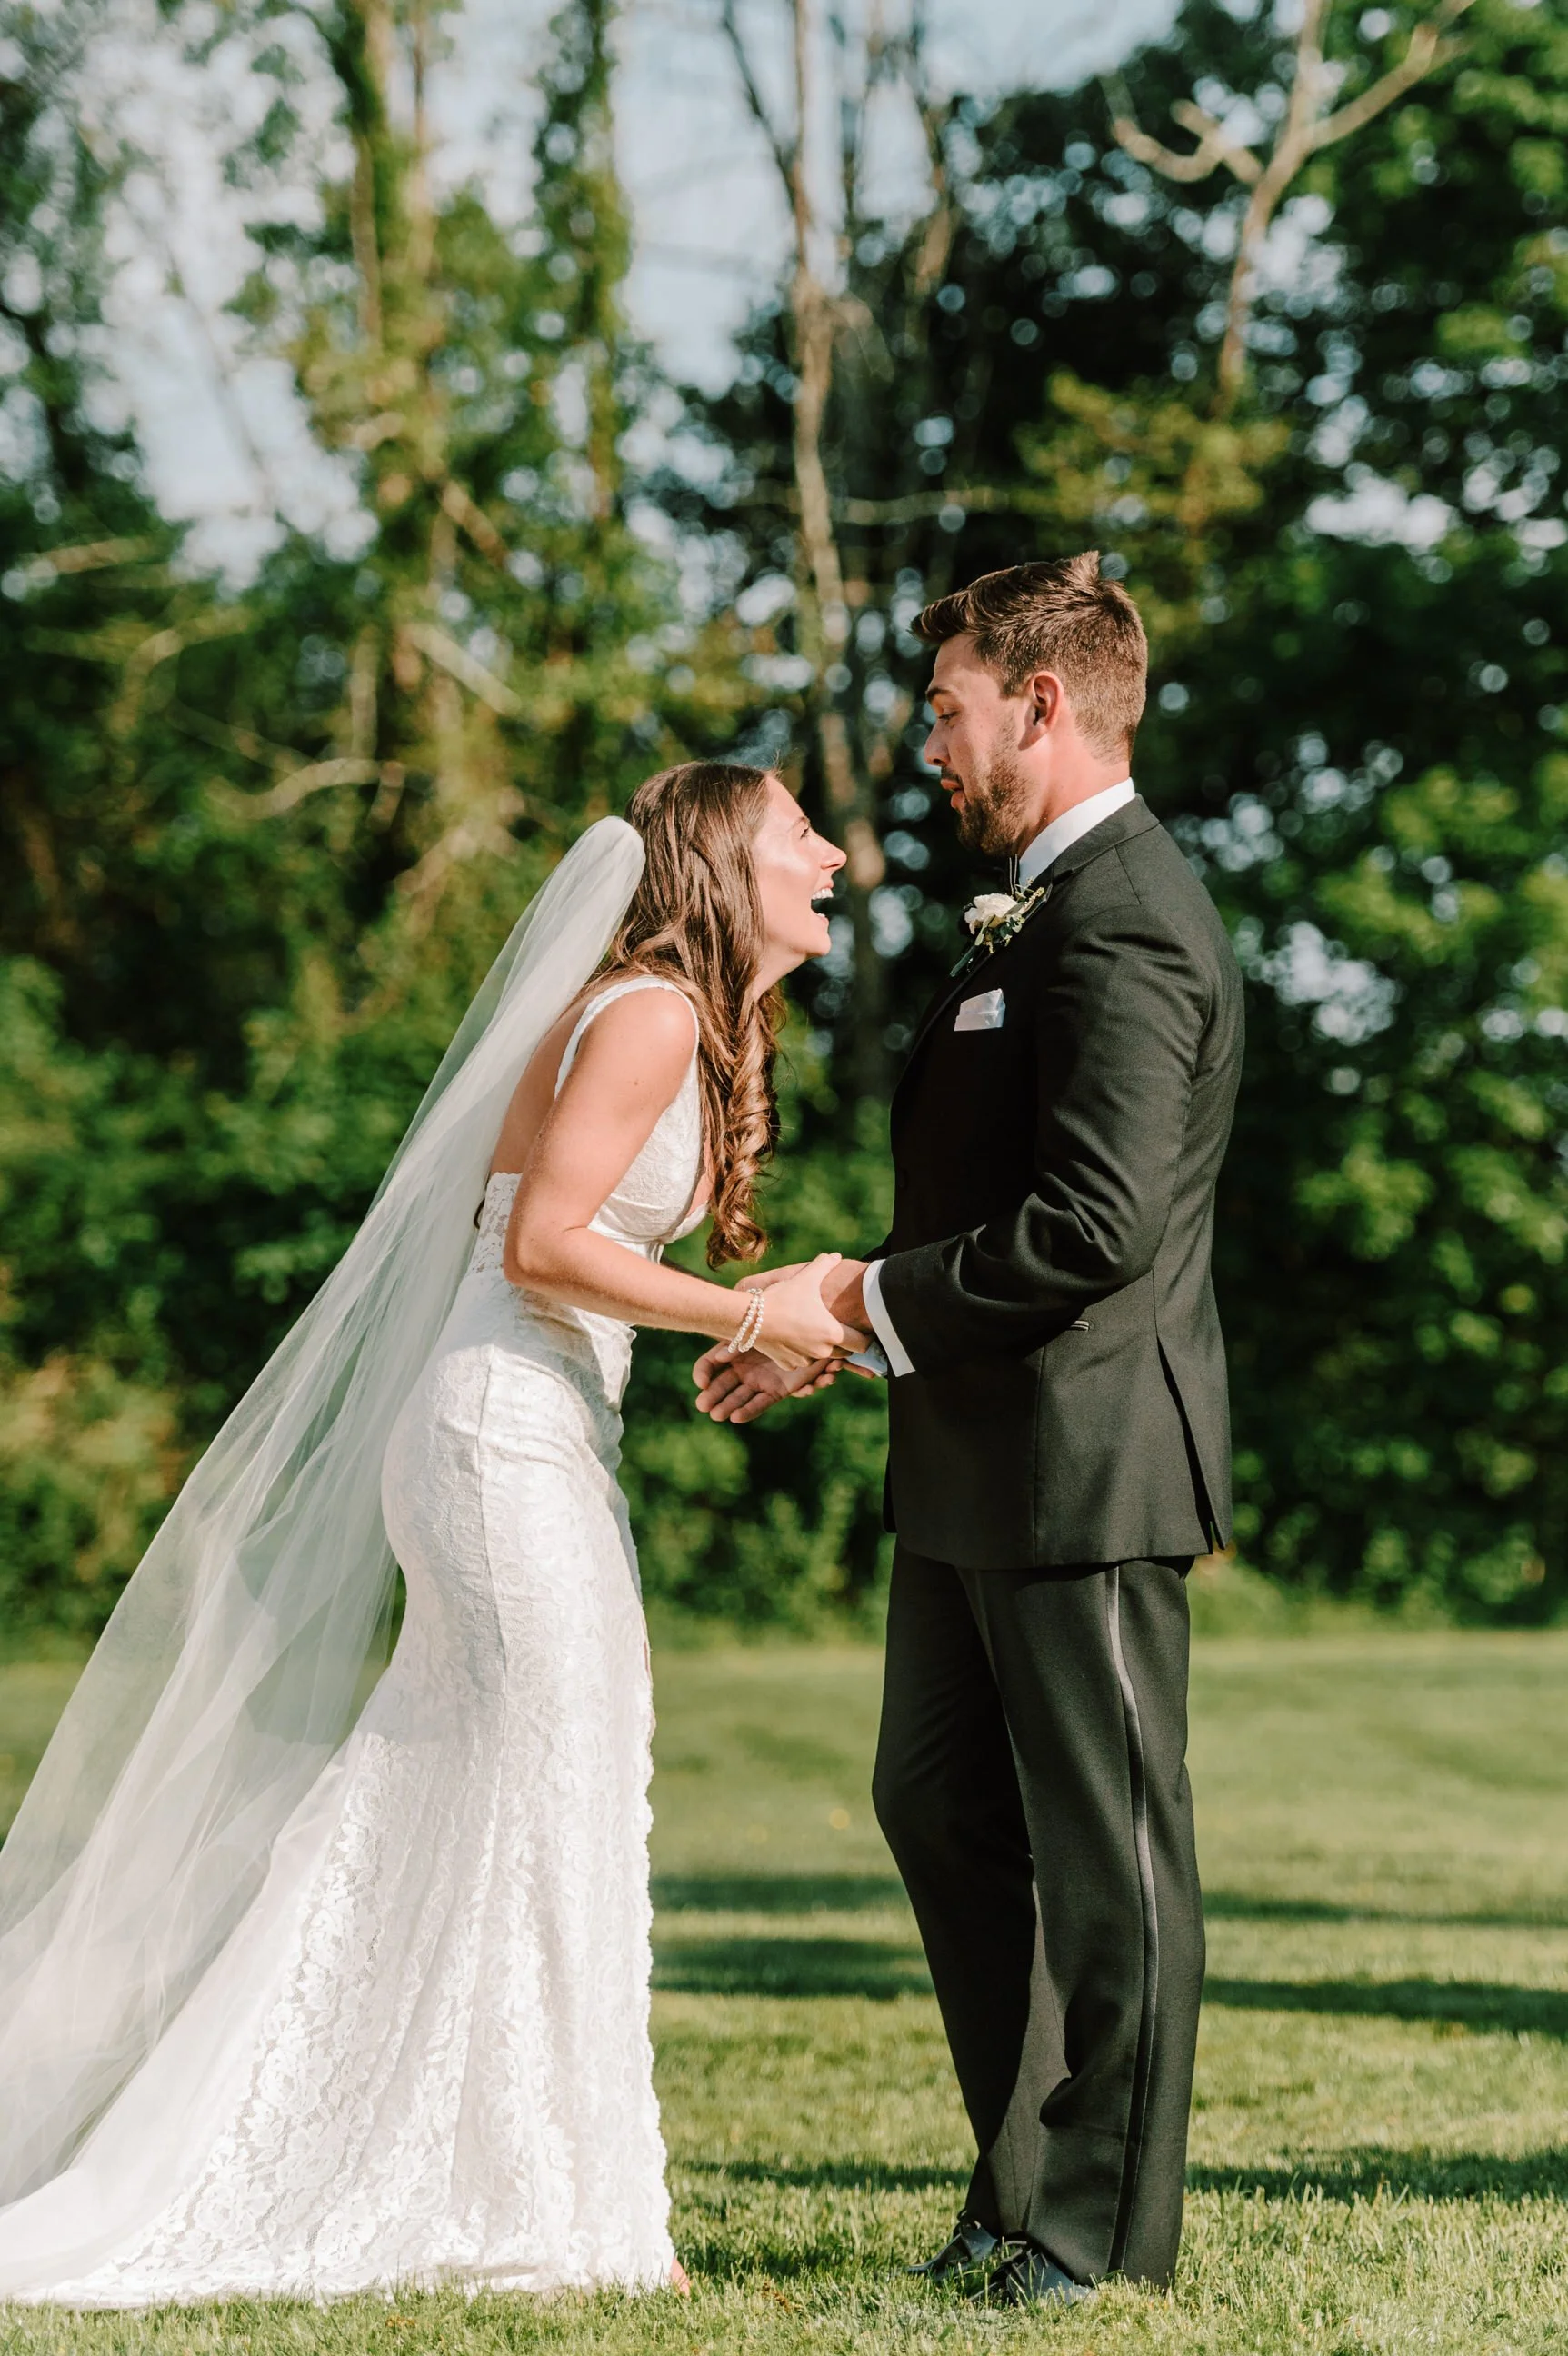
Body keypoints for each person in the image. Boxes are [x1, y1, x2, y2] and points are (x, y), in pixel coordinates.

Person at [0, 762, 858, 2306]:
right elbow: (540, 1244)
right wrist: (749, 1305)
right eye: (803, 831)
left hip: (519, 1428)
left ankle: (503, 2178)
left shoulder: (651, 1009)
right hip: (499, 1440)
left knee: (497, 1800)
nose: (838, 853)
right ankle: (555, 2210)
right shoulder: (654, 1011)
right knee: (556, 1789)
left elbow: (556, 1240)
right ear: (726, 860)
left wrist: (746, 1325)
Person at [694, 555, 1244, 2310]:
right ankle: (1016, 2192)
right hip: (962, 1457)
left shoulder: (1133, 914)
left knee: (1112, 1854)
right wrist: (844, 1344)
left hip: (1084, 1461)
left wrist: (851, 1301)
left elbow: (1099, 1228)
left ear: (1039, 702)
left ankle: (1091, 2241)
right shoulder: (1028, 909)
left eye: (944, 708)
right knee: (934, 1801)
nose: (924, 741)